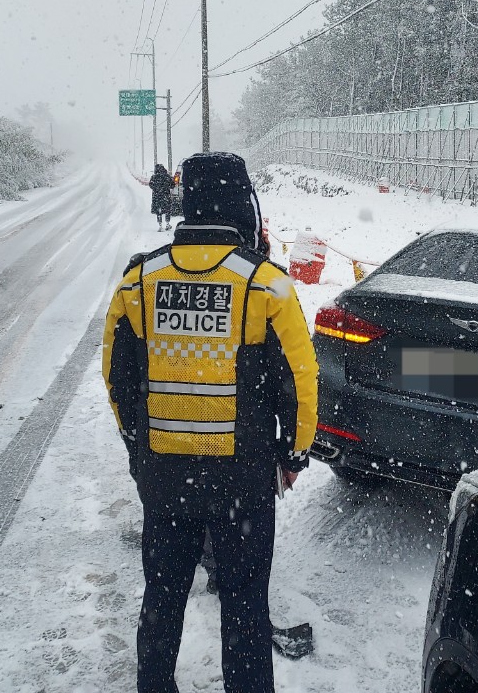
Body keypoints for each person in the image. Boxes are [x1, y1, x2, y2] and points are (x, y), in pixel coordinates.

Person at [102, 152, 318, 693]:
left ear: (186, 203)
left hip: (164, 475)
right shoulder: (265, 285)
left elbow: (116, 376)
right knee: (245, 602)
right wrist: (292, 454)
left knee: (162, 596)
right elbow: (299, 380)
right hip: (240, 482)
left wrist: (139, 446)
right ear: (244, 206)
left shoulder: (140, 280)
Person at [150, 163, 173, 231]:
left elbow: (150, 185)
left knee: (158, 211)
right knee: (167, 210)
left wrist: (156, 189)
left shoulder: (154, 177)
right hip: (166, 196)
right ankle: (167, 224)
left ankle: (160, 225)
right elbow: (172, 185)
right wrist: (166, 187)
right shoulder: (167, 176)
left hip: (157, 196)